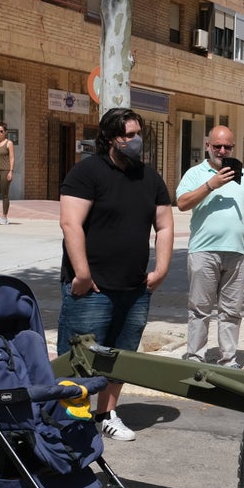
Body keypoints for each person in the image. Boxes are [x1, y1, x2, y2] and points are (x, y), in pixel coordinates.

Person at [57, 107, 174, 441]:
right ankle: (69, 422)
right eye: (128, 135)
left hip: (135, 289)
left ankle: (106, 413)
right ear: (109, 137)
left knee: (121, 358)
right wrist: (82, 273)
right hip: (92, 289)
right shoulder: (86, 173)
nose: (136, 141)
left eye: (138, 134)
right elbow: (70, 223)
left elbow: (165, 225)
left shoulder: (150, 178)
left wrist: (162, 270)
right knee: (79, 359)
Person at [175, 126, 244, 369]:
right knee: (199, 309)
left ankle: (228, 360)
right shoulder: (195, 173)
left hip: (238, 253)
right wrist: (210, 185)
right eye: (217, 146)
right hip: (203, 251)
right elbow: (182, 203)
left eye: (227, 147)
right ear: (208, 146)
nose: (222, 151)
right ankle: (195, 358)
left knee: (231, 311)